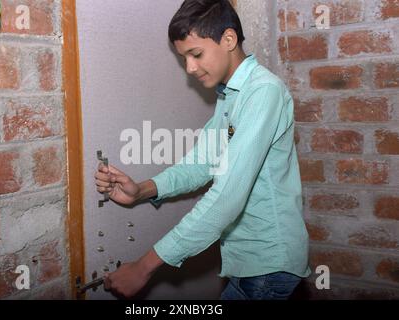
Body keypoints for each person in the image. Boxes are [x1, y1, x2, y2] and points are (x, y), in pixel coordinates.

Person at [95, 0, 310, 300]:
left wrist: (144, 267)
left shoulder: (263, 92)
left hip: (268, 268)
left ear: (229, 39)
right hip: (248, 265)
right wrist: (141, 190)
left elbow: (226, 197)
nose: (190, 68)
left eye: (196, 54)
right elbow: (200, 164)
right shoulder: (230, 96)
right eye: (184, 58)